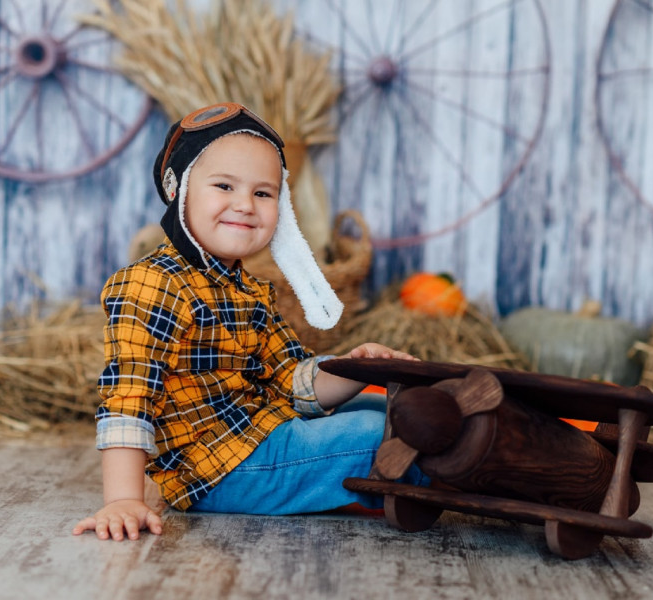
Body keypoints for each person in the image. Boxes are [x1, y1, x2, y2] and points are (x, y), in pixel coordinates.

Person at [73, 102, 426, 541]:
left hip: (262, 432)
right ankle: (475, 467)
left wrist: (357, 369)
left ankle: (466, 437)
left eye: (263, 193)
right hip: (218, 470)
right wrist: (124, 499)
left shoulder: (251, 291)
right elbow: (130, 397)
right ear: (179, 191)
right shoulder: (152, 284)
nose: (245, 205)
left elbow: (291, 380)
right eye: (224, 186)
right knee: (377, 433)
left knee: (385, 408)